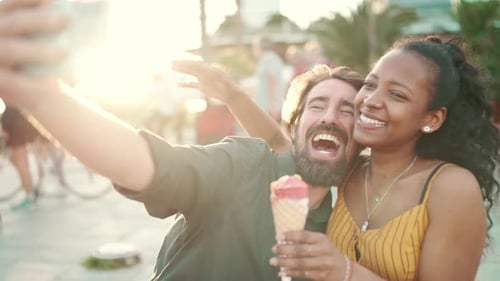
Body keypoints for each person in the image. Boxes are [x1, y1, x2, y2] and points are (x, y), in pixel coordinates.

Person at [0, 1, 364, 280]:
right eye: (318, 105)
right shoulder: (245, 164)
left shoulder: (342, 225)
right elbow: (149, 166)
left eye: (348, 110)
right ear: (295, 124)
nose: (331, 116)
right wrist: (44, 98)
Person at [268, 37, 500, 281]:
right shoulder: (352, 170)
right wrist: (234, 96)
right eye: (370, 85)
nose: (371, 101)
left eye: (397, 95)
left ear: (432, 119)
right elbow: (281, 144)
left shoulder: (451, 187)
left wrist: (345, 272)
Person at [1, 106, 43, 209]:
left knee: (21, 165)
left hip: (16, 132)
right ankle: (31, 193)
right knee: (19, 163)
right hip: (16, 130)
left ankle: (30, 196)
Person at [252, 35, 286, 121]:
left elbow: (272, 81)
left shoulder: (269, 58)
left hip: (269, 106)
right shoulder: (266, 58)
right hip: (265, 105)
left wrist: (273, 106)